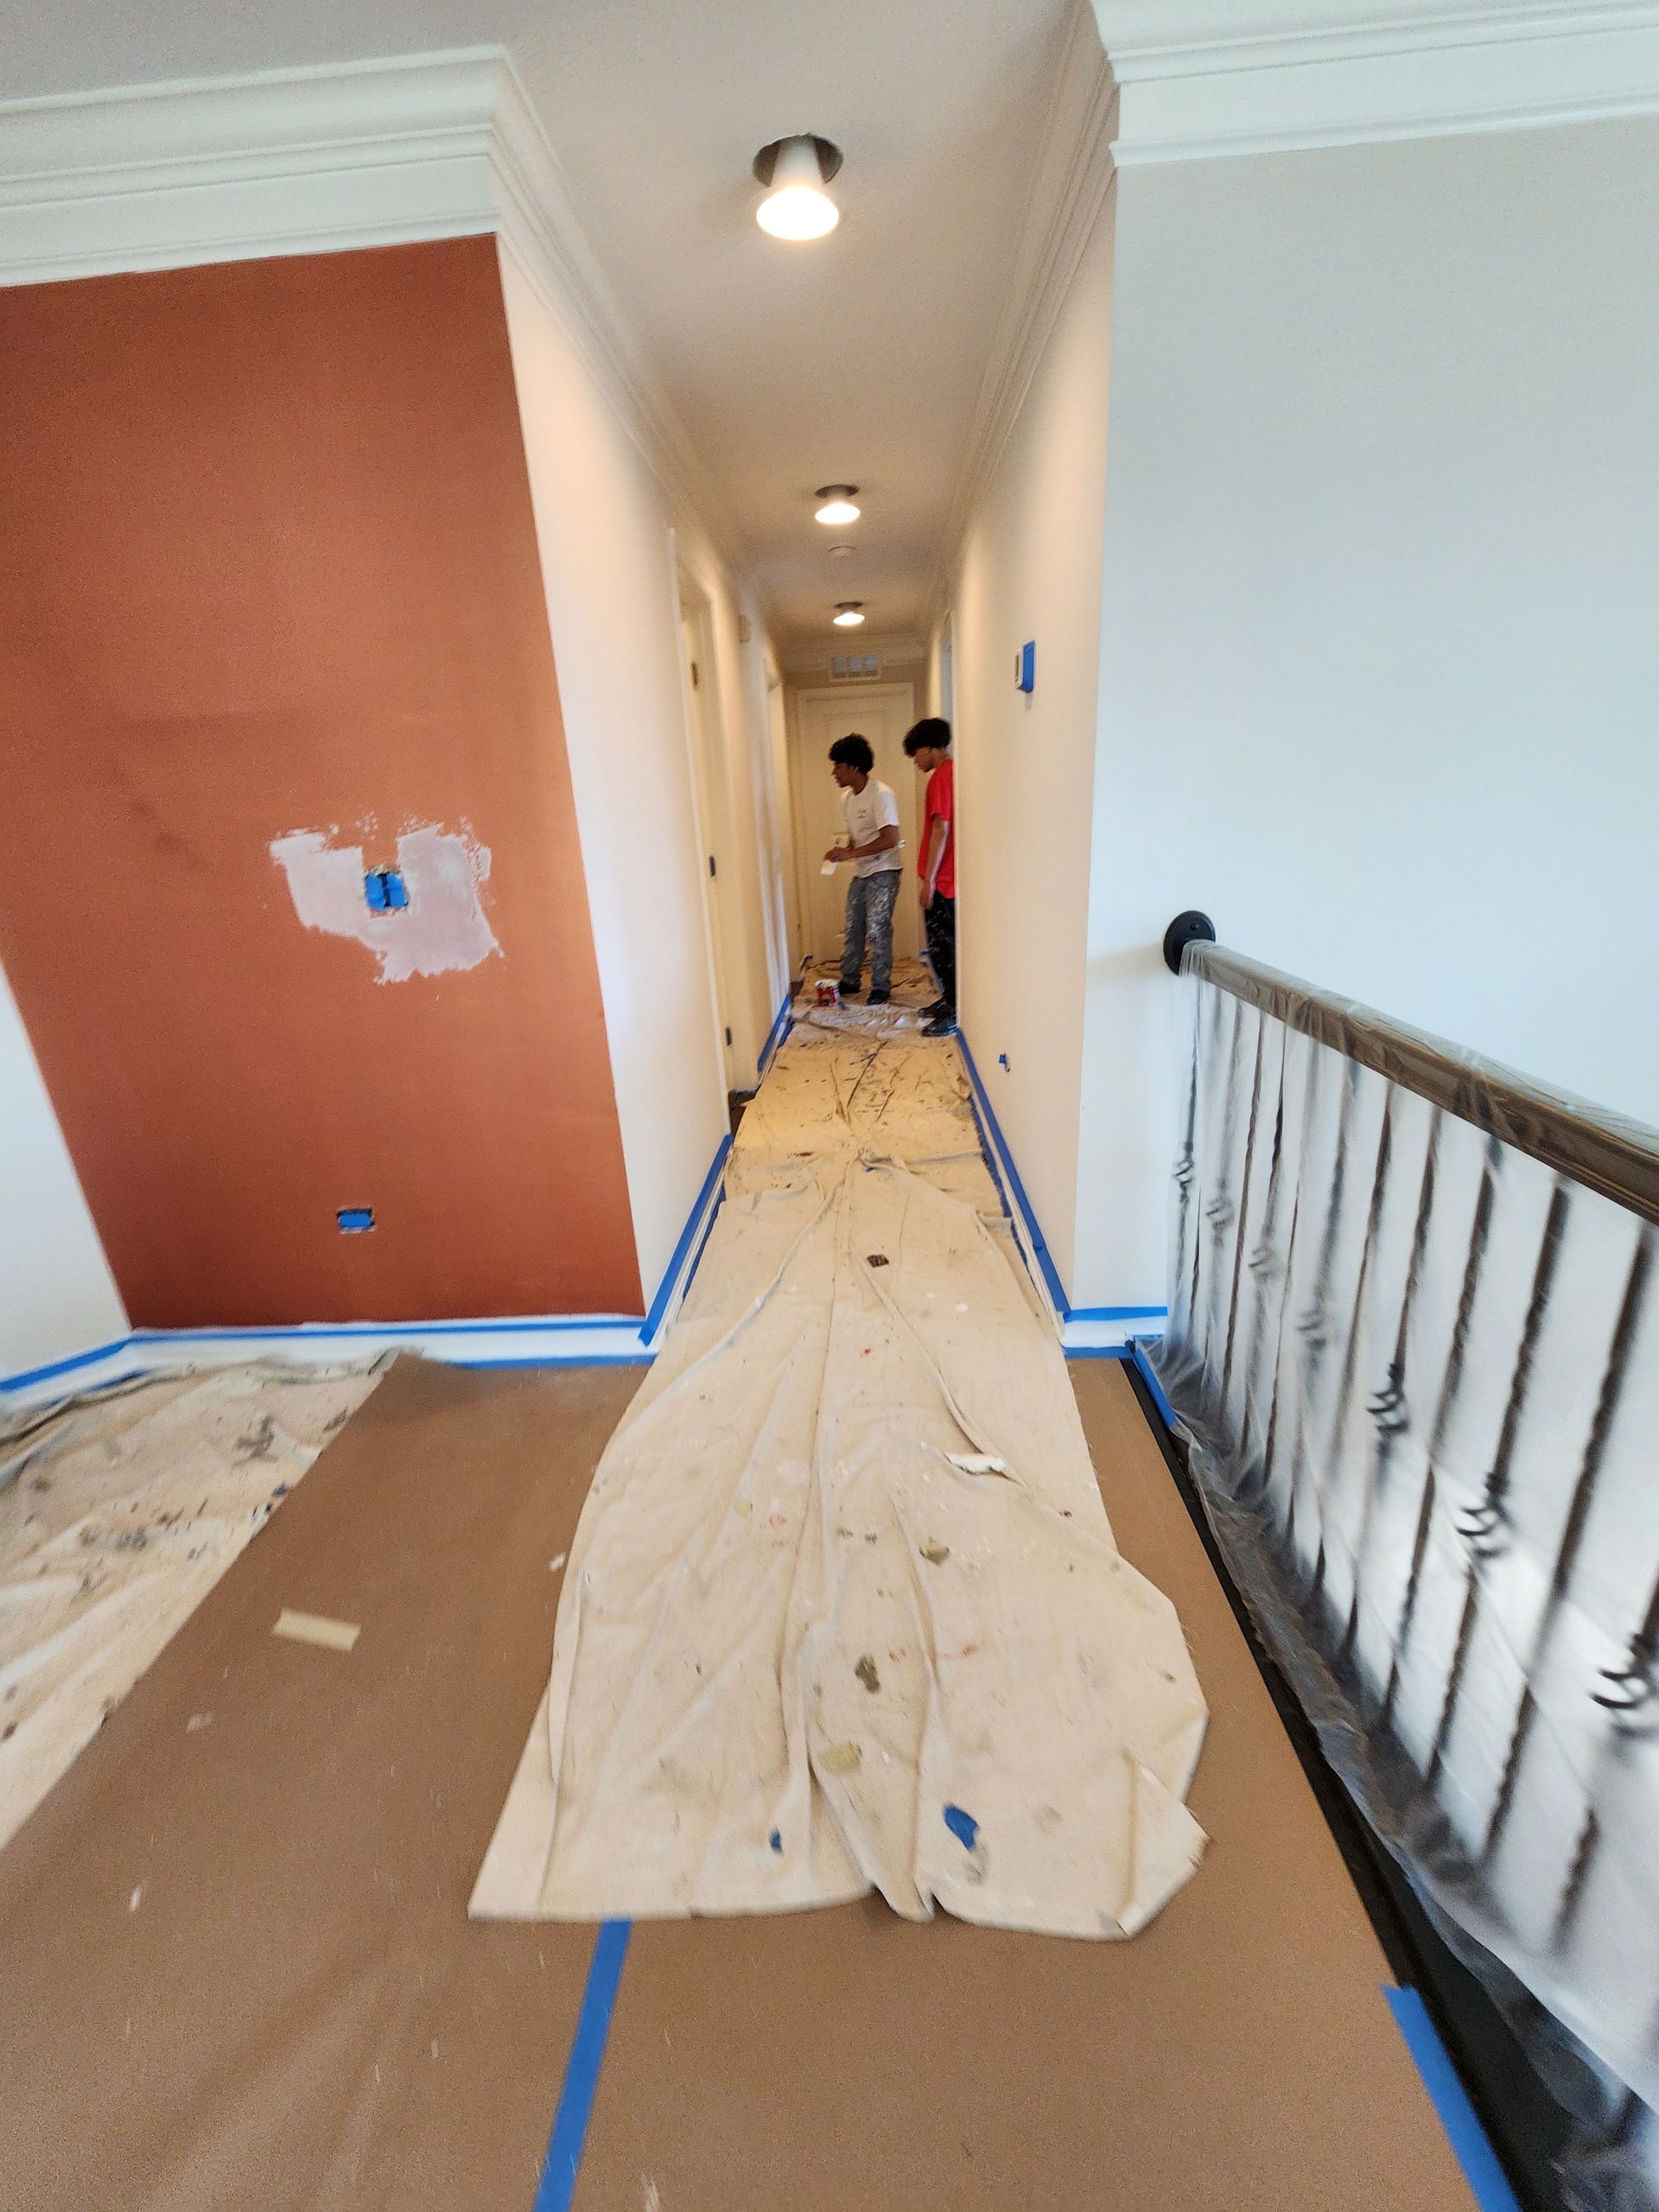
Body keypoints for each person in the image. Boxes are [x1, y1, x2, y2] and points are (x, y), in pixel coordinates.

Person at [823, 734, 904, 1005]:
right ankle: (850, 979)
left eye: (838, 766)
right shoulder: (847, 799)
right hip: (862, 871)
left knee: (878, 928)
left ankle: (881, 986)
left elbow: (890, 838)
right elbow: (856, 838)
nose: (834, 772)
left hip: (885, 870)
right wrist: (841, 852)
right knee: (853, 925)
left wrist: (851, 854)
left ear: (854, 767)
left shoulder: (882, 795)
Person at [903, 715, 956, 1036]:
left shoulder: (940, 778)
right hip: (946, 878)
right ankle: (948, 1001)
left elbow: (941, 827)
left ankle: (953, 1012)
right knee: (943, 947)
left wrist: (929, 880)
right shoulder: (952, 774)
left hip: (943, 881)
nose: (916, 761)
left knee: (942, 949)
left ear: (927, 747)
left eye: (915, 755)